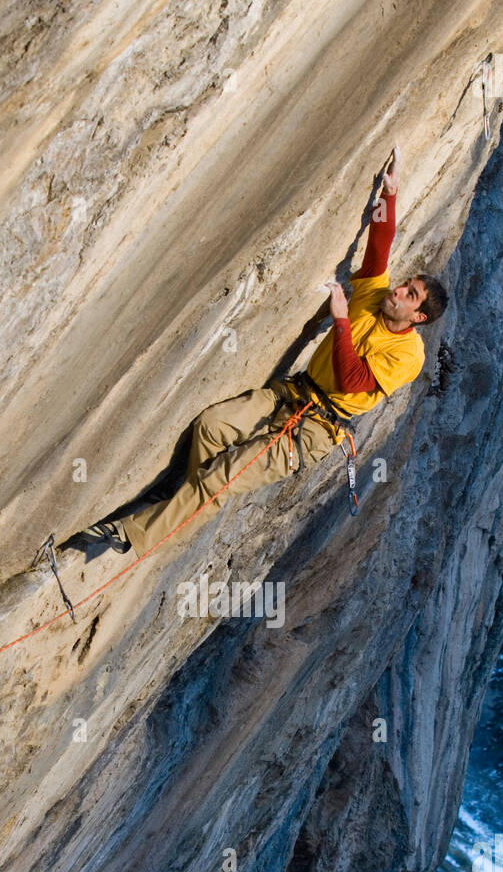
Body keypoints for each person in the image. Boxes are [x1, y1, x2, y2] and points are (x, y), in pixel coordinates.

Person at [84, 145, 447, 561]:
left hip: (314, 429)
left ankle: (129, 535)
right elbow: (379, 248)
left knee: (223, 474)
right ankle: (188, 502)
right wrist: (391, 192)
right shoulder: (377, 294)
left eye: (410, 294)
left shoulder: (409, 355)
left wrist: (342, 319)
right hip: (293, 393)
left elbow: (352, 380)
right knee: (211, 426)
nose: (399, 291)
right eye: (405, 285)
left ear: (417, 316)